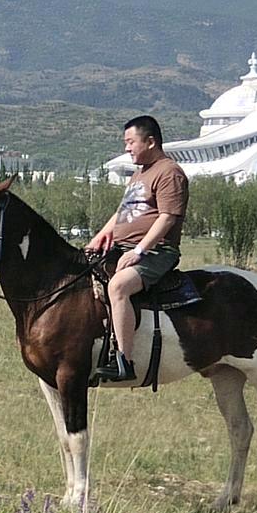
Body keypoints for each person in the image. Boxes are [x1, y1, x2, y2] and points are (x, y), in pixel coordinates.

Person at [87, 115, 189, 382]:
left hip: (157, 252)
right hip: (123, 246)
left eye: (131, 142)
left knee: (118, 287)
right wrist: (100, 237)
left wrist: (139, 251)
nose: (127, 148)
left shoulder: (169, 172)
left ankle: (124, 360)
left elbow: (167, 218)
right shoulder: (139, 174)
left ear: (151, 141)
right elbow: (122, 212)